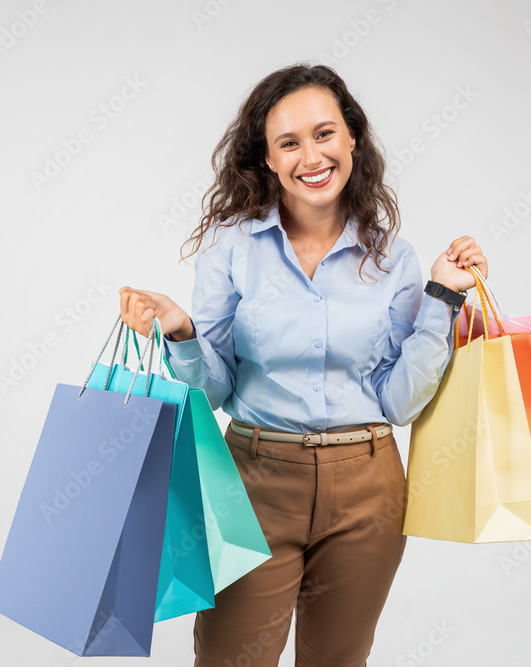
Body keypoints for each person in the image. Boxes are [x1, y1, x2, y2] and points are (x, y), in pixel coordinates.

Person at [118, 63, 487, 666]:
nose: (310, 156)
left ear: (352, 140)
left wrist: (442, 299)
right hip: (255, 481)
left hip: (368, 487)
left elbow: (399, 401)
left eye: (324, 134)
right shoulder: (232, 246)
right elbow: (213, 389)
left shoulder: (393, 258)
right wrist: (182, 333)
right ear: (266, 159)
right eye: (288, 142)